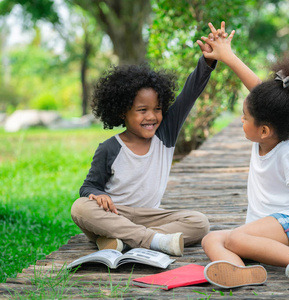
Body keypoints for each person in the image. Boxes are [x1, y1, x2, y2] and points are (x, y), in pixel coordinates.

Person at [196, 22, 289, 288]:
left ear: (263, 130)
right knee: (211, 239)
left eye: (244, 117)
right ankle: (238, 271)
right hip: (265, 230)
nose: (241, 120)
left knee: (235, 239)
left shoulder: (287, 152)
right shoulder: (267, 127)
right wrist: (227, 55)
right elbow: (260, 92)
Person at [70, 36, 218, 257]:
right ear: (123, 112)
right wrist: (97, 195)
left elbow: (189, 94)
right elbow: (88, 187)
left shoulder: (165, 135)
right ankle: (153, 240)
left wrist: (207, 61)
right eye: (142, 110)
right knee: (80, 207)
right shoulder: (109, 148)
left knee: (199, 222)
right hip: (113, 216)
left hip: (151, 215)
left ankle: (124, 243)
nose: (151, 116)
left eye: (157, 109)